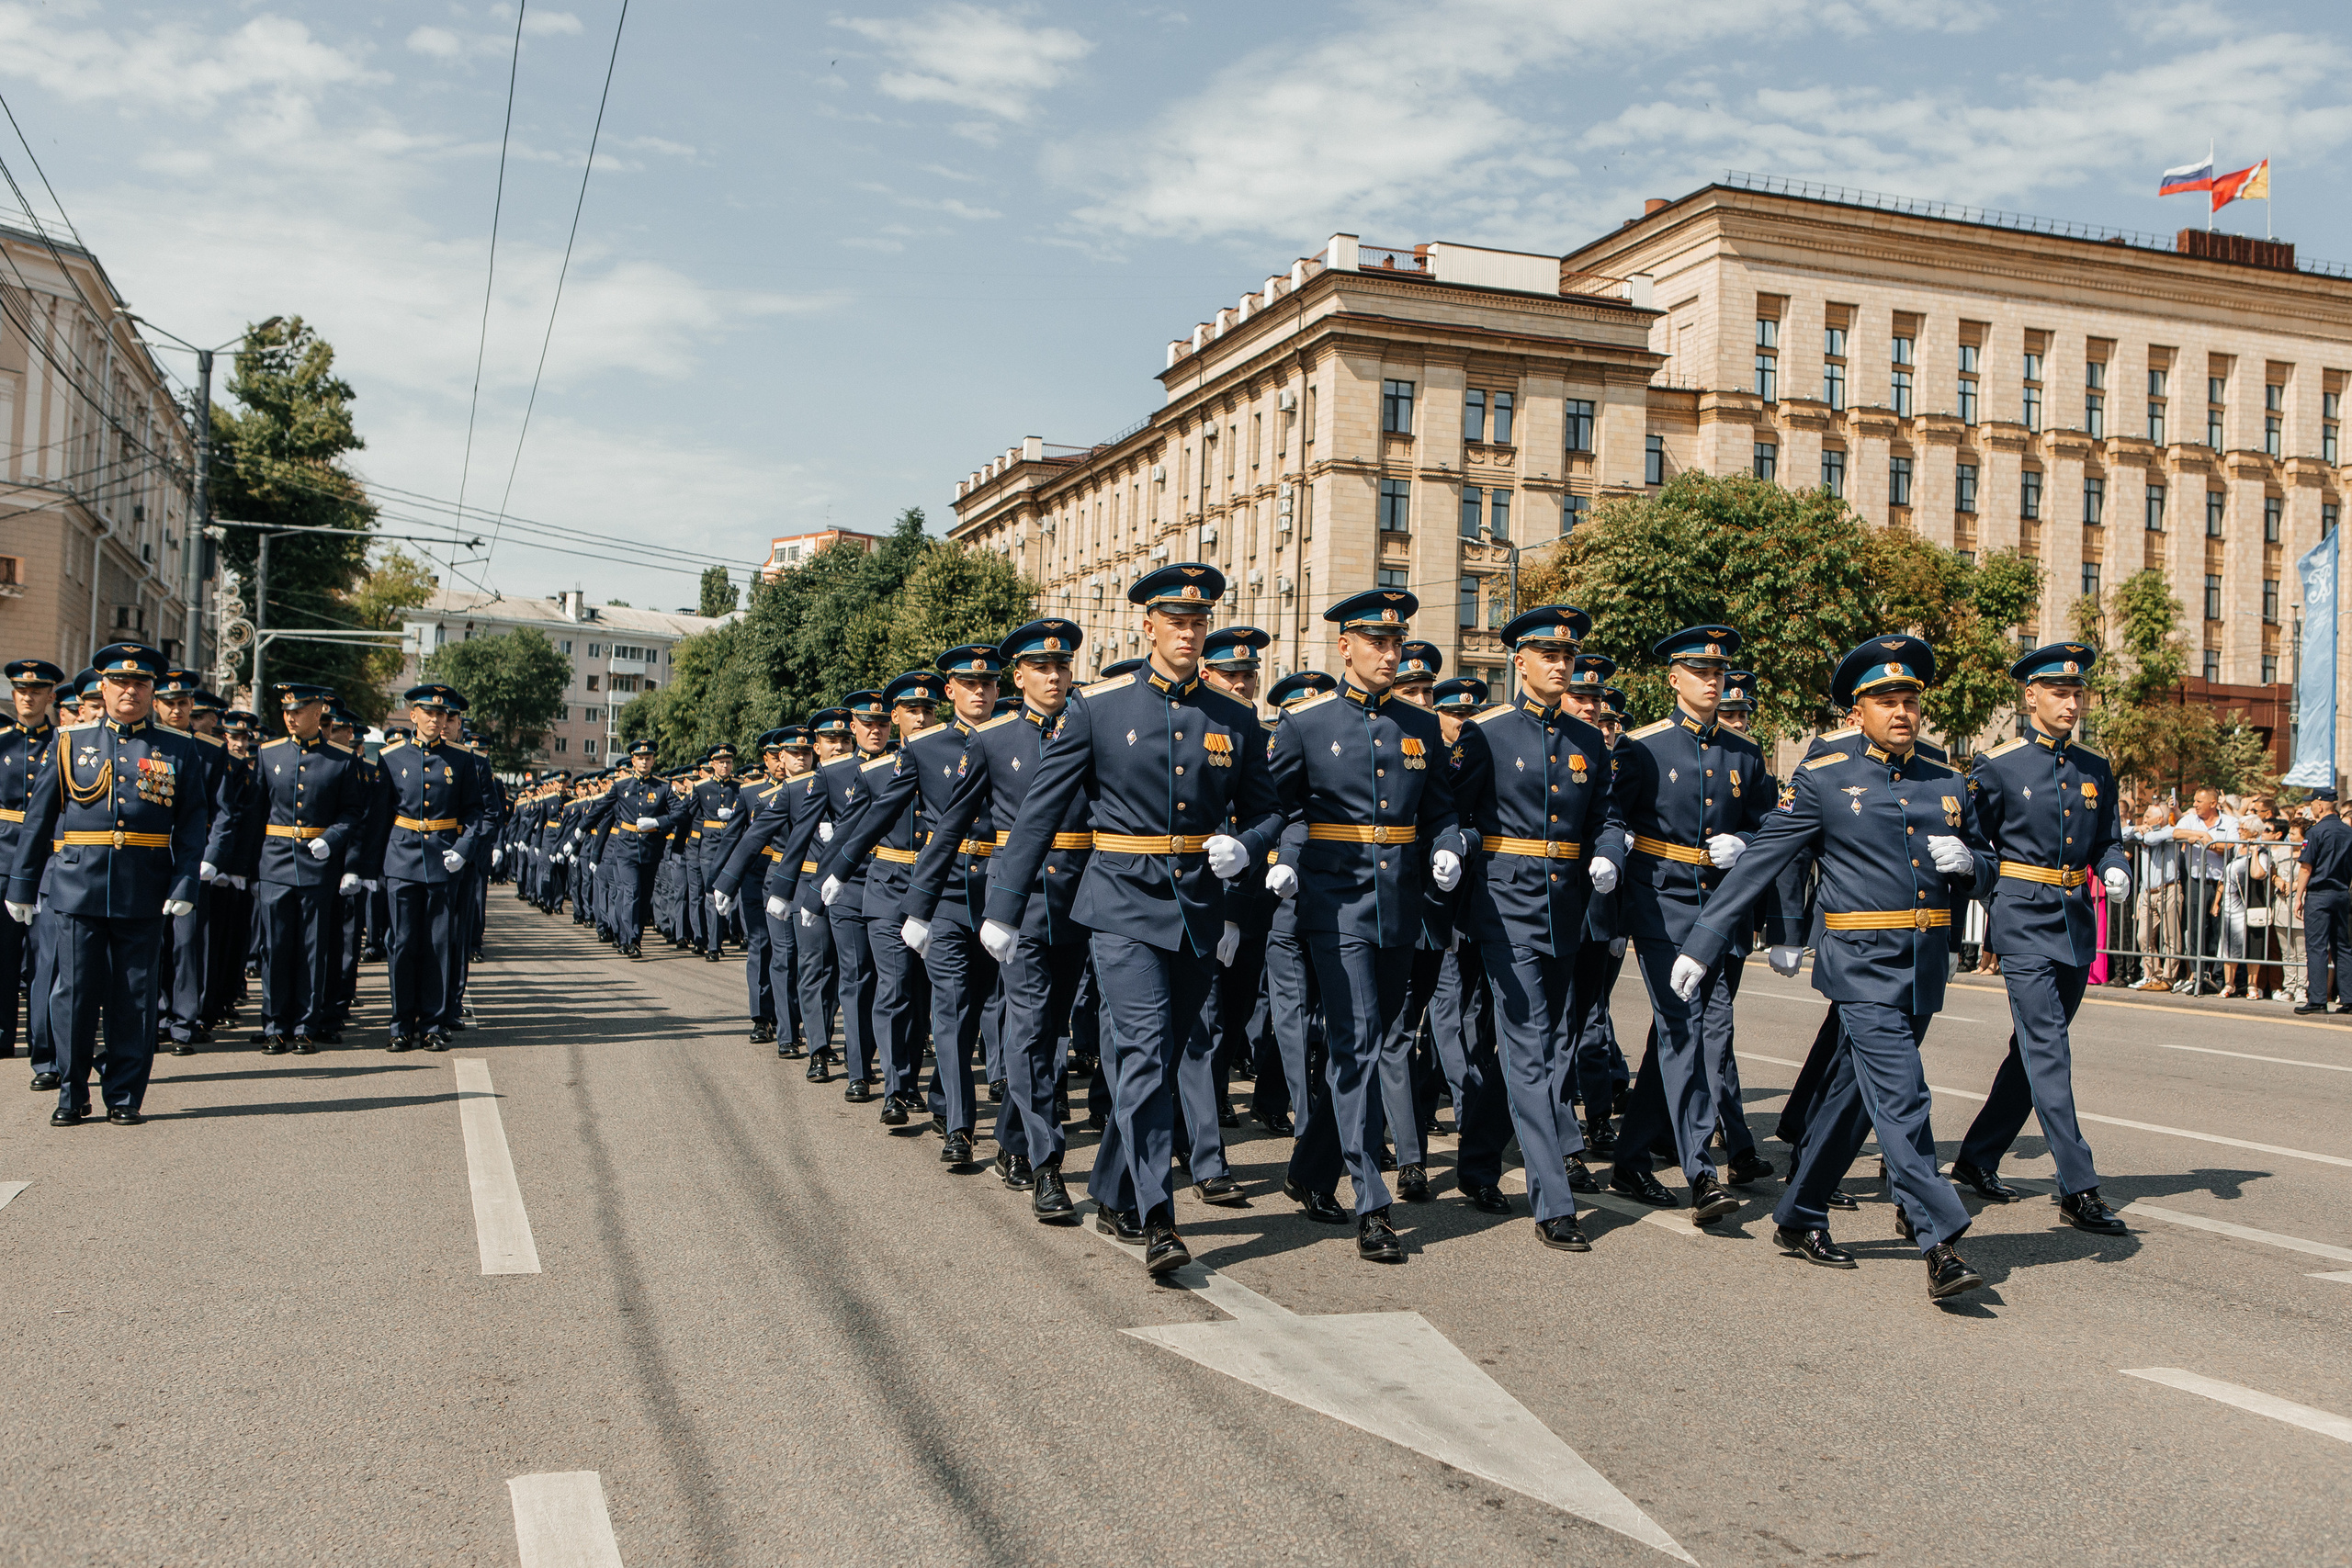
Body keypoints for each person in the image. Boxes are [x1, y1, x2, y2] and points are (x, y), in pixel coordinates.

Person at [981, 564, 1280, 1276]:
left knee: (1161, 1058)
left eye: (1198, 620)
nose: (1189, 631)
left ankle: (1116, 1186)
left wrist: (1249, 845)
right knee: (1143, 1053)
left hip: (1198, 908)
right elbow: (1040, 811)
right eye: (1176, 620)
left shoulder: (1234, 718)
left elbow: (1269, 808)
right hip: (1119, 904)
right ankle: (1158, 1218)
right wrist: (1003, 906)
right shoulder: (1099, 708)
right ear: (1148, 624)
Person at [1674, 634, 1994, 1299]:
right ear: (1857, 713)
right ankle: (1940, 1240)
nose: (1901, 711)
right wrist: (1704, 940)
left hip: (1923, 963)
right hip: (1860, 964)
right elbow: (1762, 858)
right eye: (1885, 700)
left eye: (1909, 699)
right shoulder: (1824, 778)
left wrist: (1972, 866)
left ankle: (1799, 1214)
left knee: (1855, 1101)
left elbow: (1985, 857)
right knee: (1904, 1097)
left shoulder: (1948, 780)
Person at [1266, 590, 1468, 1263]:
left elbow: (1440, 807)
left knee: (1374, 1040)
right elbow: (1279, 809)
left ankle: (1309, 1167)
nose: (1391, 654)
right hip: (1334, 905)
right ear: (1344, 647)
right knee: (1357, 1041)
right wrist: (1281, 860)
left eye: (1397, 643)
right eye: (1377, 642)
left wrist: (1446, 844)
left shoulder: (1419, 727)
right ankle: (1372, 1202)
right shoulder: (1304, 726)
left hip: (1398, 906)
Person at [903, 621, 1091, 1220]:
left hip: (1087, 900)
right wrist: (920, 904)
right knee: (1031, 1029)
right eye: (1041, 667)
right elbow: (951, 826)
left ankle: (1014, 1135)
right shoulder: (992, 740)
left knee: (1057, 1033)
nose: (1054, 676)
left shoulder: (1094, 729)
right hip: (1024, 905)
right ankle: (1046, 1164)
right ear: (1021, 676)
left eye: (1061, 666)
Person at [1945, 642, 2131, 1235]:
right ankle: (2078, 1185)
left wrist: (2114, 865)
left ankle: (1976, 1157)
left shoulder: (2095, 768)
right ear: (2031, 698)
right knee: (2049, 1049)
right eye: (2059, 692)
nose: (2072, 703)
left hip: (2075, 920)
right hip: (2022, 919)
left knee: (2032, 1051)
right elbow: (1973, 847)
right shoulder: (1998, 766)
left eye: (2078, 692)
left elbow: (2108, 837)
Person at [1452, 606, 1621, 1251]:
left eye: (1567, 656)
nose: (1560, 665)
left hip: (1565, 906)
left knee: (1531, 1040)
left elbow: (1604, 813)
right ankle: (1555, 1199)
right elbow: (1453, 808)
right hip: (1504, 906)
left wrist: (1608, 849)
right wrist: (1453, 851)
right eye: (1547, 655)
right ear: (1518, 662)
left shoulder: (1586, 740)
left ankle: (1474, 1163)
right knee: (1532, 1048)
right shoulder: (1486, 732)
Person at [1607, 625, 1771, 1224]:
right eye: (1699, 672)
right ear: (1674, 678)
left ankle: (1630, 1155)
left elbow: (1770, 829)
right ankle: (1701, 1169)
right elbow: (1609, 812)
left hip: (1719, 910)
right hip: (1660, 906)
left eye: (1718, 672)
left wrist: (1747, 842)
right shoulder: (1642, 747)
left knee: (1693, 1033)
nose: (1711, 681)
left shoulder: (1744, 754)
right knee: (1687, 1028)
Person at [6, 643, 207, 1123]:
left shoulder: (178, 748)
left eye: (140, 684)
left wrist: (184, 884)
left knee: (134, 1000)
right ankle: (72, 1093)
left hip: (144, 885)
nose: (129, 691)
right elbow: (40, 818)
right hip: (79, 885)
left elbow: (193, 821)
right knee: (72, 995)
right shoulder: (71, 741)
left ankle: (123, 1095)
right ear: (103, 687)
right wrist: (22, 884)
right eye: (120, 683)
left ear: (152, 692)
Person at [245, 684, 369, 1053]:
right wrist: (249, 869)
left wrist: (331, 838)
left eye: (298, 711)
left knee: (313, 950)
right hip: (275, 862)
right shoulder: (268, 755)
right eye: (286, 711)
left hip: (317, 866)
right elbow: (255, 814)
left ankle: (305, 1025)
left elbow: (353, 812)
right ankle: (274, 1024)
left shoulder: (341, 759)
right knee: (276, 947)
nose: (290, 717)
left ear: (318, 713)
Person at [379, 684, 492, 1052]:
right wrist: (368, 868)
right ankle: (400, 1023)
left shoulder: (461, 760)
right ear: (413, 715)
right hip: (402, 859)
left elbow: (476, 811)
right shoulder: (391, 757)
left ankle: (432, 1023)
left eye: (441, 714)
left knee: (437, 946)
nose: (435, 719)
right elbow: (379, 817)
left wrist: (463, 848)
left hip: (443, 861)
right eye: (427, 712)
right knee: (402, 944)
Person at [0, 660, 62, 1067]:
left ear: (50, 696)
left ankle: (45, 1046)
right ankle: (4, 1036)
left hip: (49, 860)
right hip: (3, 856)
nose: (28, 697)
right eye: (21, 690)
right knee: (3, 955)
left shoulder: (67, 742)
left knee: (45, 960)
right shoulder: (1, 742)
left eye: (37, 690)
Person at [2294, 789, 2352, 1013]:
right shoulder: (2348, 832)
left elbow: (2306, 868)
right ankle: (2348, 998)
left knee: (2317, 947)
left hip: (2319, 895)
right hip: (2341, 893)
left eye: (2312, 803)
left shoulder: (2316, 832)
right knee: (2343, 947)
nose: (2311, 807)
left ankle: (2318, 999)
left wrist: (2298, 897)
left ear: (2320, 805)